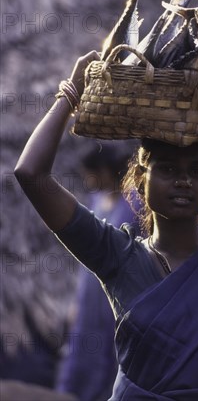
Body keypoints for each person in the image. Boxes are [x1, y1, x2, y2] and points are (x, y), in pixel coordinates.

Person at [15, 50, 198, 400]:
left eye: (197, 171)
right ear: (139, 180)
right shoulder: (117, 257)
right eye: (167, 169)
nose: (183, 181)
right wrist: (70, 93)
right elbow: (31, 174)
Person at [56, 142, 140, 401]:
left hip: (117, 296)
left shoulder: (134, 205)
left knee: (112, 359)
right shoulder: (96, 200)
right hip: (90, 294)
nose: (87, 180)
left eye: (90, 174)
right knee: (82, 353)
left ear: (104, 172)